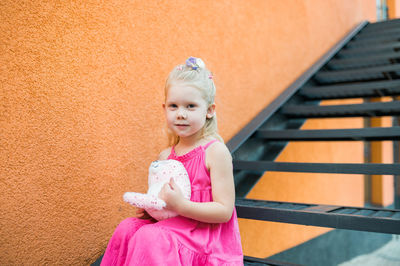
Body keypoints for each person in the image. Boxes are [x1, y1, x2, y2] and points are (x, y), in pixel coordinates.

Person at [101, 57, 243, 265]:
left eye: (191, 106)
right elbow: (164, 204)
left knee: (150, 237)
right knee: (128, 228)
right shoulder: (165, 156)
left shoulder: (215, 152)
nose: (181, 114)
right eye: (173, 106)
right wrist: (153, 209)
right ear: (164, 108)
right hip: (174, 227)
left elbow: (224, 211)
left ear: (210, 110)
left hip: (205, 238)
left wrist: (182, 206)